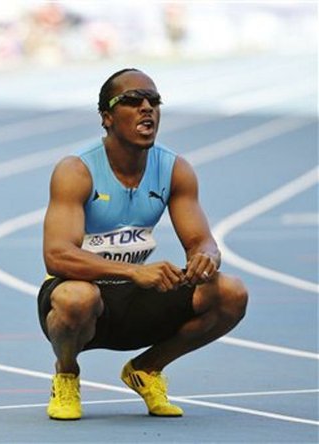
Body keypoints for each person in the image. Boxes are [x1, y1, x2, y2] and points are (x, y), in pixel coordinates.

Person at [38, 68, 248, 420]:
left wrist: (206, 258)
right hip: (84, 290)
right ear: (107, 117)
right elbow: (56, 256)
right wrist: (134, 271)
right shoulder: (77, 171)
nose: (146, 108)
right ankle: (66, 374)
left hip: (137, 293)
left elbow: (202, 241)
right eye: (133, 101)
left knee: (230, 293)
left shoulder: (174, 168)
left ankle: (146, 369)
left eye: (154, 101)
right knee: (77, 298)